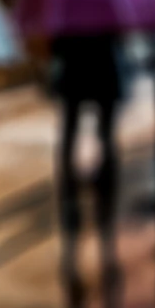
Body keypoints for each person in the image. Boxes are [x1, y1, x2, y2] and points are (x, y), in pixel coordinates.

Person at [50, 30, 124, 234]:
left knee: (70, 134)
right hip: (105, 71)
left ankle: (70, 193)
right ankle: (104, 192)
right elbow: (120, 38)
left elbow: (55, 46)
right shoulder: (109, 1)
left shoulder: (65, 5)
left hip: (73, 73)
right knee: (106, 135)